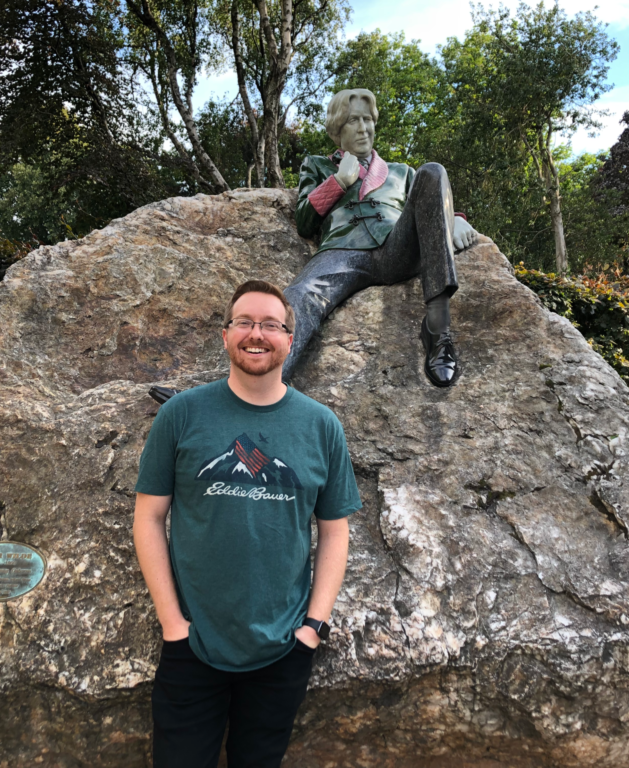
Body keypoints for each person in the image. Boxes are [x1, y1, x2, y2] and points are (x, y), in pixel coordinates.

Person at [133, 279, 362, 768]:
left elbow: (335, 530)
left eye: (271, 325)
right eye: (245, 322)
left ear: (289, 338)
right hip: (191, 646)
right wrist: (173, 625)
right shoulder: (180, 415)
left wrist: (312, 629)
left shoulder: (321, 425)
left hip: (283, 651)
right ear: (225, 333)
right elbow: (149, 517)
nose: (256, 334)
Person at [286, 87, 480, 387]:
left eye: (368, 119)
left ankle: (438, 330)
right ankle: (263, 377)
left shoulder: (400, 172)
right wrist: (338, 181)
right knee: (301, 294)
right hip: (342, 251)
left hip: (396, 247)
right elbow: (304, 222)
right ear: (338, 128)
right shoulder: (317, 165)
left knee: (433, 170)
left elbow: (428, 204)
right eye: (353, 121)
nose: (364, 128)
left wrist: (453, 218)